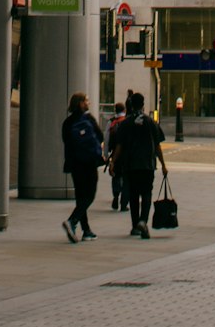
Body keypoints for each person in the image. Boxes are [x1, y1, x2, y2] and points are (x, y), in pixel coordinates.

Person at [110, 92, 167, 239]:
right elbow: (158, 146)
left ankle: (135, 225)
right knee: (146, 193)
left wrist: (112, 162)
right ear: (143, 104)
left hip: (130, 165)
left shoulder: (126, 124)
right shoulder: (150, 122)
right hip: (147, 164)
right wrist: (163, 165)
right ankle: (143, 221)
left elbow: (119, 146)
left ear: (130, 104)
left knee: (134, 195)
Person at [60, 91, 104, 241]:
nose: (88, 103)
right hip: (89, 162)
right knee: (90, 194)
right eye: (86, 101)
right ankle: (72, 220)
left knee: (81, 195)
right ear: (80, 103)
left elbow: (66, 141)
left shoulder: (67, 123)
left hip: (74, 163)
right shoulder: (88, 119)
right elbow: (100, 136)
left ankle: (86, 230)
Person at [104, 101, 128, 211]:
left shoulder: (111, 122)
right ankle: (124, 202)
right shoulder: (127, 121)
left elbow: (107, 139)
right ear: (124, 110)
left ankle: (115, 196)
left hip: (114, 154)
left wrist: (105, 154)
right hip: (126, 154)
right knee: (126, 177)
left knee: (116, 175)